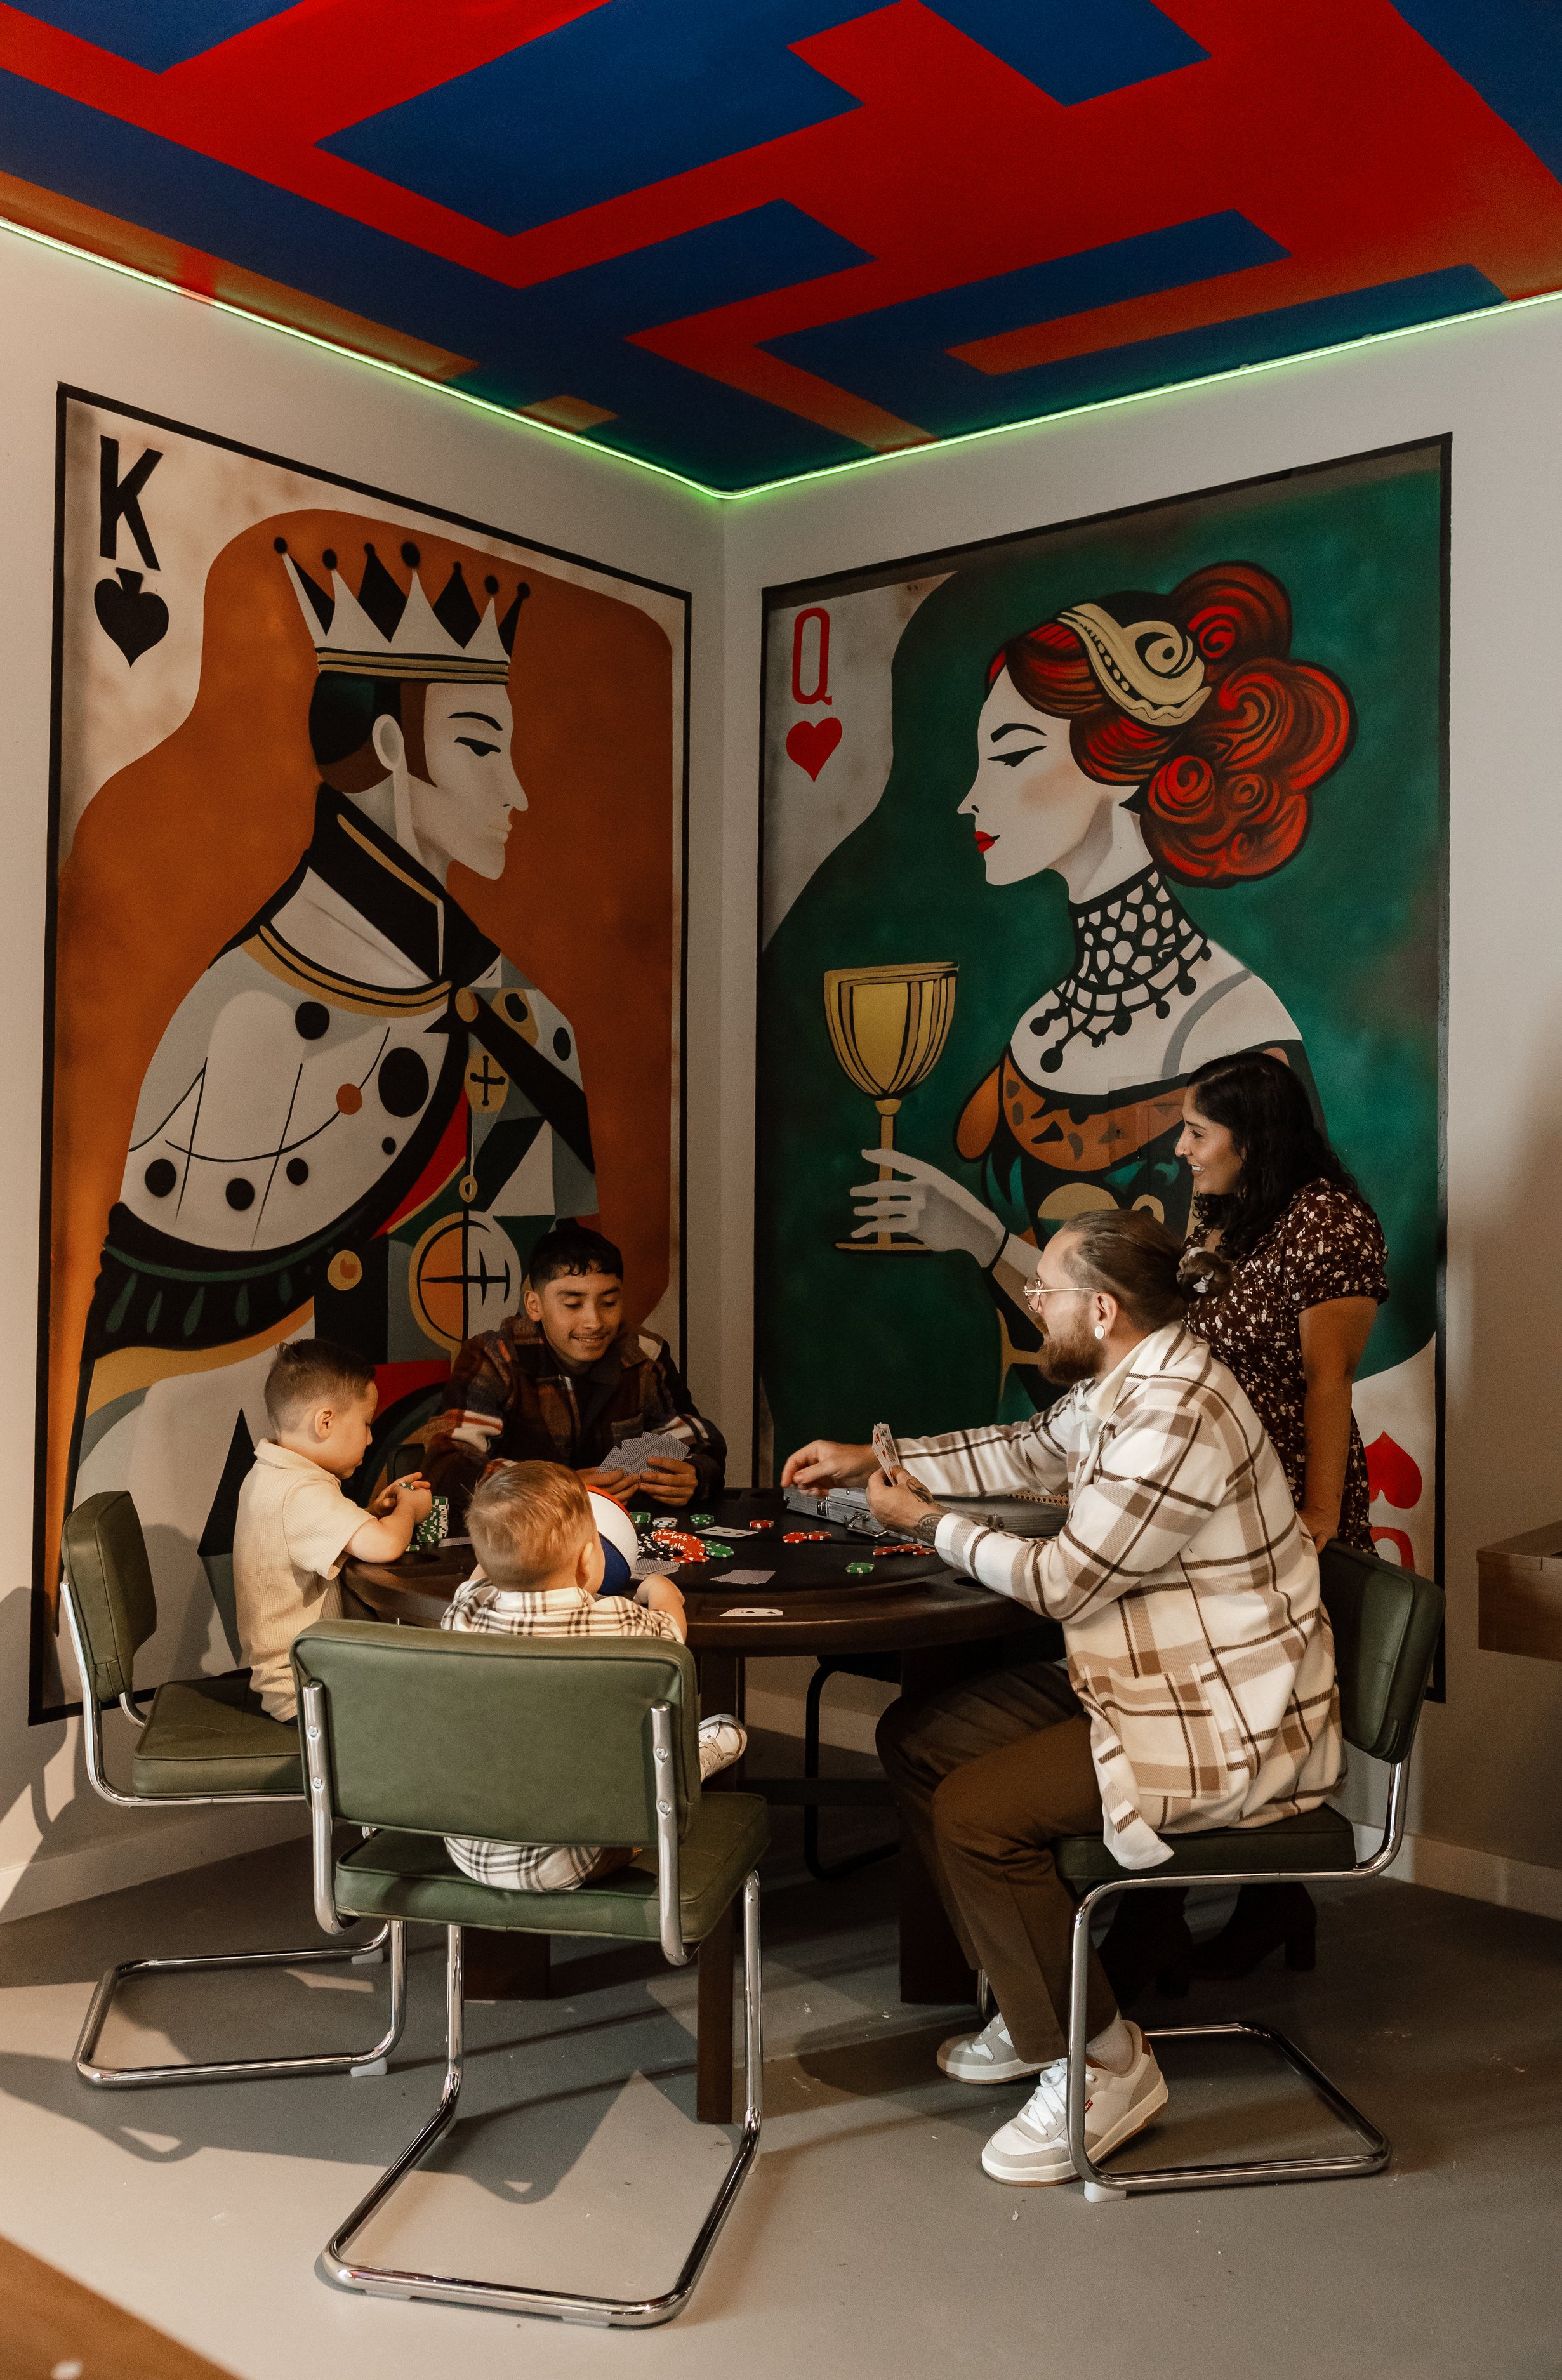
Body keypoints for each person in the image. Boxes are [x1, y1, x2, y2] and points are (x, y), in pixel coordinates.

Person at [68, 535, 598, 1665]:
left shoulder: (526, 1020)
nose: (513, 788)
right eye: (478, 745)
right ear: (392, 749)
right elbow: (164, 1391)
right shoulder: (248, 1019)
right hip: (344, 1593)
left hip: (494, 1538)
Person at [780, 1207, 1342, 2188]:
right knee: (917, 1735)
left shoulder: (1177, 1411)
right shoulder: (1131, 1376)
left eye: (1046, 1289)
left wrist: (928, 1524)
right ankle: (1043, 2008)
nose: (1033, 1300)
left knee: (976, 1814)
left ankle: (1106, 2066)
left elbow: (1065, 1583)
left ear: (1104, 1307)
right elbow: (1028, 1448)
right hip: (1143, 1676)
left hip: (1223, 1713)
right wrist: (879, 1458)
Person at [845, 562, 1354, 1409]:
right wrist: (979, 1241)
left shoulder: (1231, 1030)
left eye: (1010, 754)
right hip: (1049, 1452)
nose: (973, 798)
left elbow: (1214, 1339)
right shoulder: (1037, 1029)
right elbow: (1079, 1332)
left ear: (1121, 764)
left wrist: (981, 1239)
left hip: (1182, 1471)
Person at [1173, 1047, 1387, 1977]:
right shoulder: (1238, 1214)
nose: (1181, 1148)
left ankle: (1258, 1905)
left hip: (1285, 1508)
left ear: (1252, 1140)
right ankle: (1220, 1906)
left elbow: (1326, 1379)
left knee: (1257, 1709)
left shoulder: (1328, 1221)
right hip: (1217, 1505)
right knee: (1213, 1707)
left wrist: (1318, 1516)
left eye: (1197, 1132)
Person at [439, 1462, 745, 1888]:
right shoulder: (617, 1619)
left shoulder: (464, 1614)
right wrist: (659, 1589)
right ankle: (692, 1761)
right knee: (691, 1743)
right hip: (573, 1857)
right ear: (587, 1561)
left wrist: (498, 1558)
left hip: (470, 1849)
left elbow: (475, 1581)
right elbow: (672, 1636)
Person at [425, 1224, 725, 1517]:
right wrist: (554, 1487)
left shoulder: (644, 1354)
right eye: (572, 1304)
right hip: (517, 1543)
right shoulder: (493, 1357)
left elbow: (700, 1440)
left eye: (609, 1302)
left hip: (620, 1535)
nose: (594, 1322)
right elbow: (447, 1466)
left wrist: (697, 1475)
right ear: (534, 1306)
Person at [233, 1339, 432, 1722]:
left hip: (305, 1678)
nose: (371, 1438)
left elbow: (314, 1537)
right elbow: (387, 1544)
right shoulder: (300, 1491)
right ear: (325, 1422)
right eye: (366, 1423)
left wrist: (370, 1513)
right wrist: (409, 1508)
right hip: (307, 1692)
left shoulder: (273, 1472)